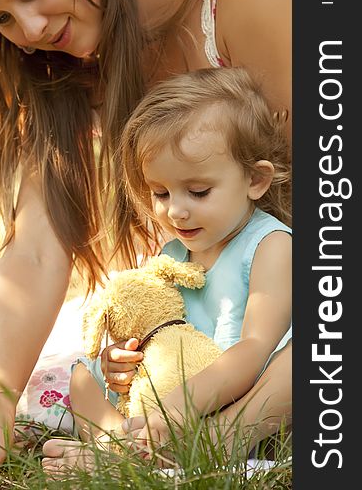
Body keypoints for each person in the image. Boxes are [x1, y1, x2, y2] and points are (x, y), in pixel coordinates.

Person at [0, 0, 291, 484]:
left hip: (297, 291)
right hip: (204, 321)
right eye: (1, 20)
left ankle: (218, 442)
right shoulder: (60, 73)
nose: (31, 31)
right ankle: (154, 437)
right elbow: (39, 248)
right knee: (21, 378)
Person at [44, 67, 292, 472]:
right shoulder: (174, 253)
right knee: (81, 376)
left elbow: (255, 349)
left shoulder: (271, 245)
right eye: (160, 192)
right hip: (168, 399)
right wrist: (120, 364)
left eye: (198, 191)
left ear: (255, 180)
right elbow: (158, 332)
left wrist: (181, 406)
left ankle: (217, 440)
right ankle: (125, 449)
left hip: (242, 402)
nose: (175, 210)